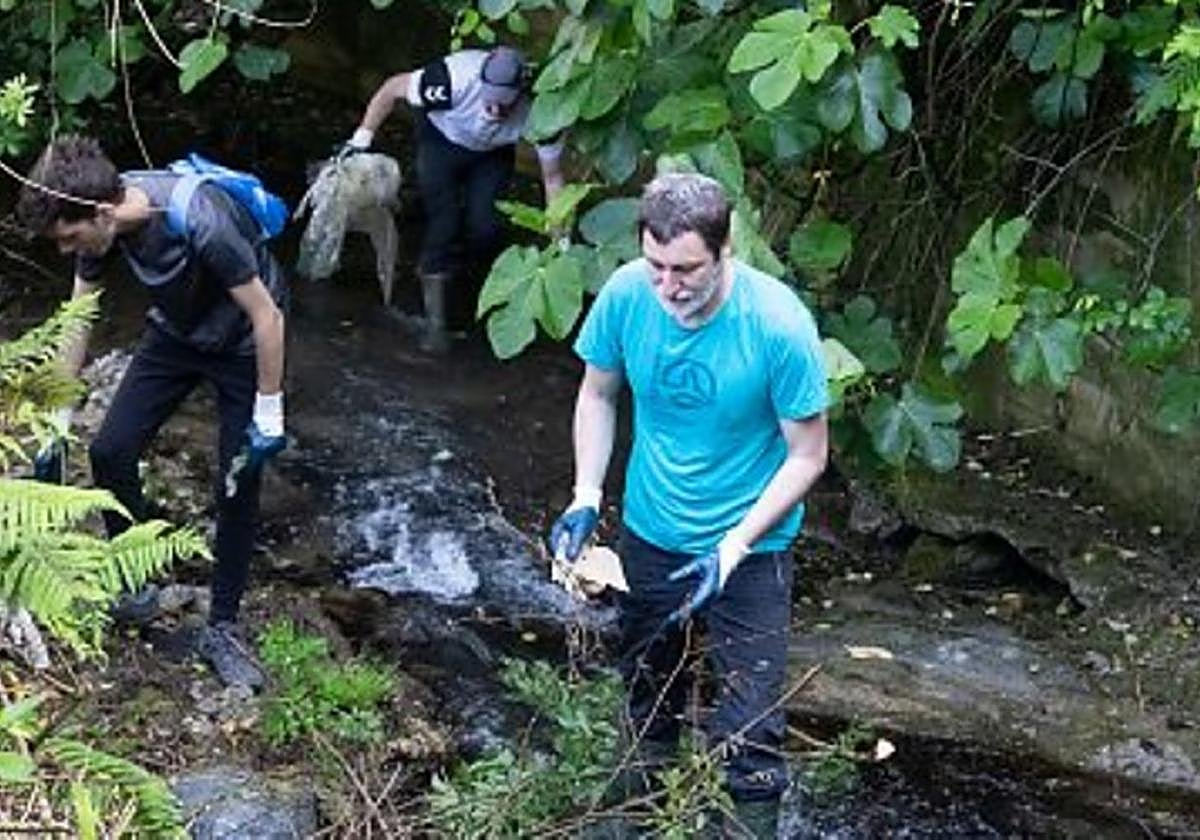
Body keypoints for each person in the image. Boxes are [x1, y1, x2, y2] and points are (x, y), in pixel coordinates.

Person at [548, 173, 829, 837]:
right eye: (656, 267)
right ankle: (635, 823)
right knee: (647, 697)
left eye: (686, 270)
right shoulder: (626, 296)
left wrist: (732, 547)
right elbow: (597, 395)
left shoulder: (779, 326)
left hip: (752, 548)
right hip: (651, 533)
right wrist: (587, 494)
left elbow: (808, 457)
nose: (668, 288)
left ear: (725, 249)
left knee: (751, 732)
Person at [16, 135, 288, 690]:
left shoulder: (203, 221)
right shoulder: (98, 230)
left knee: (238, 480)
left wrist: (269, 412)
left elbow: (268, 317)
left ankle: (223, 628)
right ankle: (137, 577)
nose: (68, 250)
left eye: (69, 237)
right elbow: (79, 315)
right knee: (109, 450)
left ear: (100, 212)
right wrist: (59, 420)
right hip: (176, 332)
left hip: (241, 340)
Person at [343, 44, 565, 352]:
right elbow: (391, 88)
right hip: (442, 141)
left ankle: (470, 293)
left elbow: (553, 179)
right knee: (444, 224)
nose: (497, 110)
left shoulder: (542, 113)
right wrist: (361, 139)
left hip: (492, 154)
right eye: (491, 100)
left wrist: (560, 238)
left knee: (486, 228)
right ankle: (435, 321)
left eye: (506, 103)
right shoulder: (451, 79)